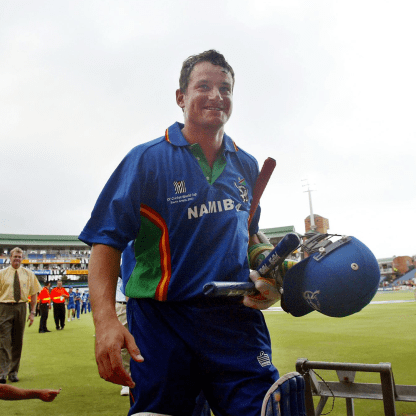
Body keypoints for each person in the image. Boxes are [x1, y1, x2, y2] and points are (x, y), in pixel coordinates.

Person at [79, 50, 281, 415]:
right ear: (181, 97)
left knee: (269, 409)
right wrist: (105, 322)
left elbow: (250, 232)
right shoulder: (146, 159)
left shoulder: (247, 164)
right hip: (162, 321)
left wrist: (267, 264)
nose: (217, 96)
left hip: (233, 321)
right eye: (203, 86)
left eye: (226, 88)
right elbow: (105, 240)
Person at [0, 247, 42, 383]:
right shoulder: (2, 274)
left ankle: (13, 372)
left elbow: (34, 293)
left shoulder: (29, 274)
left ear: (22, 258)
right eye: (14, 257)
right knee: (4, 341)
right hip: (4, 307)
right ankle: (2, 372)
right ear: (9, 258)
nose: (16, 259)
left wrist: (32, 312)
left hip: (21, 307)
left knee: (17, 341)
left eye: (19, 257)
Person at [116, 277, 130, 397]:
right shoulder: (118, 258)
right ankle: (126, 380)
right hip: (123, 304)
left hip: (145, 302)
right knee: (124, 343)